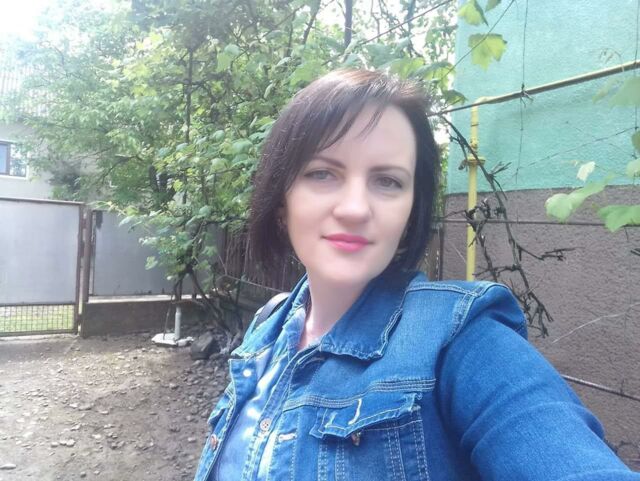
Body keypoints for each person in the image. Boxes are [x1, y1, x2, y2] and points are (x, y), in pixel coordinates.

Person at [193, 69, 640, 481]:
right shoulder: (268, 326)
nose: (355, 208)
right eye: (323, 173)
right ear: (281, 202)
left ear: (411, 210)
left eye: (387, 181)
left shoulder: (460, 340)